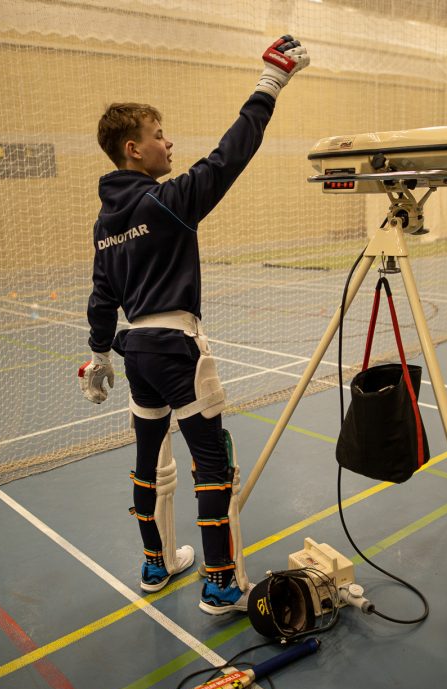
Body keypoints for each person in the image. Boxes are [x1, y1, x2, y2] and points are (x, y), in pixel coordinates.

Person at [78, 35, 310, 615]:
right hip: (178, 350)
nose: (168, 142)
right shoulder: (163, 202)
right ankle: (221, 583)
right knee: (212, 461)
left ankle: (157, 565)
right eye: (159, 135)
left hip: (137, 355)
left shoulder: (106, 225)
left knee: (148, 459)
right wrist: (270, 83)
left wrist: (101, 355)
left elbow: (102, 295)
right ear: (134, 149)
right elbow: (229, 156)